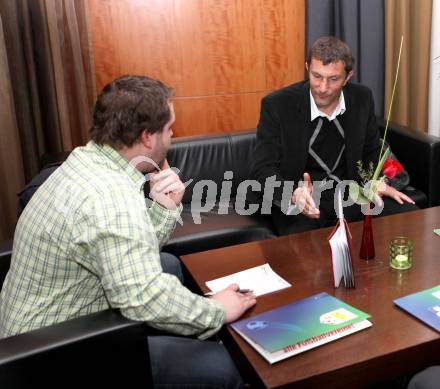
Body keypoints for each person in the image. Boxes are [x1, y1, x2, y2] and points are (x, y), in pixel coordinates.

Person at [0, 75, 256, 388]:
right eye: (169, 128)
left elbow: (131, 249)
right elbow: (144, 298)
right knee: (227, 369)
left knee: (170, 265)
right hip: (52, 354)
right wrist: (216, 310)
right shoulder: (110, 197)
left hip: (41, 325)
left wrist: (163, 208)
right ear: (148, 137)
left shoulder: (89, 159)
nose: (172, 135)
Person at [251, 36, 417, 236]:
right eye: (317, 76)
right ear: (307, 68)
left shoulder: (362, 98)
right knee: (300, 252)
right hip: (303, 202)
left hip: (351, 195)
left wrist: (379, 182)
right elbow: (262, 168)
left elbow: (371, 151)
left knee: (410, 219)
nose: (323, 88)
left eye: (333, 79)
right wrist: (293, 194)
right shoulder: (277, 105)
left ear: (348, 77)